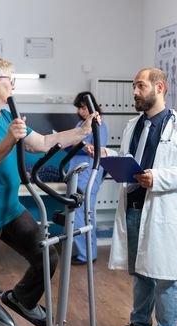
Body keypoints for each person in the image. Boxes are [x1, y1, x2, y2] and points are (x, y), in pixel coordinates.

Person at [0, 53, 100, 326]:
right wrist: (9, 140)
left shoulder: (8, 116)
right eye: (11, 80)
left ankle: (21, 297)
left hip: (9, 207)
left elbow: (43, 142)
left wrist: (81, 131)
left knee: (48, 255)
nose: (14, 85)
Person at [89, 68, 177, 326]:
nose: (135, 92)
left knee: (165, 277)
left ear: (159, 88)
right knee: (140, 272)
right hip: (134, 208)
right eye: (134, 86)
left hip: (162, 212)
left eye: (140, 86)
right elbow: (132, 159)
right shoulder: (134, 125)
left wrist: (158, 178)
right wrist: (108, 155)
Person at [67, 92, 107, 265]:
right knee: (78, 213)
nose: (81, 111)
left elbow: (98, 149)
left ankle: (87, 255)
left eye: (84, 107)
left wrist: (80, 144)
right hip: (78, 172)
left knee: (83, 214)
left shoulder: (98, 124)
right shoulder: (81, 123)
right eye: (79, 108)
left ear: (92, 107)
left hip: (88, 173)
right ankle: (86, 253)